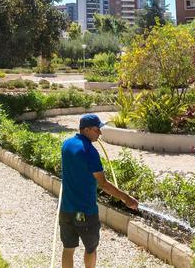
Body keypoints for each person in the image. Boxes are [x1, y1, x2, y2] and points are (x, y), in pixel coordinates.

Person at [58, 113, 138, 268]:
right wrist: (127, 198)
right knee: (91, 249)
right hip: (85, 212)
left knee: (68, 249)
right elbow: (104, 184)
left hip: (66, 209)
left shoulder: (66, 144)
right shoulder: (89, 152)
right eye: (97, 130)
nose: (100, 133)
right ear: (86, 130)